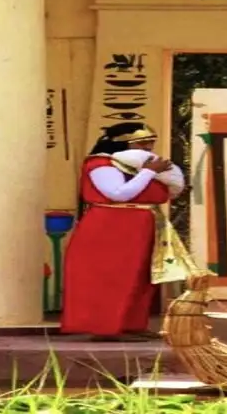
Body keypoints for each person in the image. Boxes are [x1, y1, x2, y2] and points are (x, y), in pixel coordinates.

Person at [61, 122, 186, 341]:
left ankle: (132, 324)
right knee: (113, 276)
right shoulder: (101, 163)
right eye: (142, 143)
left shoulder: (140, 165)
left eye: (151, 142)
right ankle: (106, 328)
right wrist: (149, 172)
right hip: (112, 225)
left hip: (143, 224)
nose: (148, 147)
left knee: (140, 276)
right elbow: (118, 194)